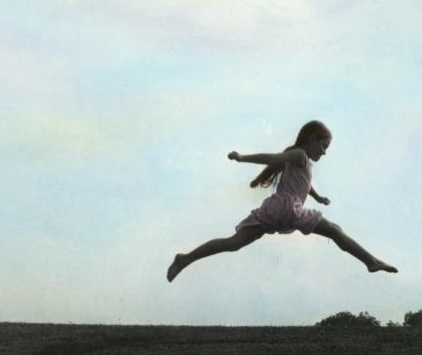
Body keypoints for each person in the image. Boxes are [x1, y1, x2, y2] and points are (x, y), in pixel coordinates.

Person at [167, 120, 397, 282]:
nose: (325, 152)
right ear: (311, 139)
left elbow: (304, 183)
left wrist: (317, 196)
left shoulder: (302, 161)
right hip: (288, 209)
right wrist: (242, 158)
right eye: (324, 146)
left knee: (233, 243)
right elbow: (272, 158)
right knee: (335, 230)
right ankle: (371, 261)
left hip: (274, 210)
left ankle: (186, 258)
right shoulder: (299, 155)